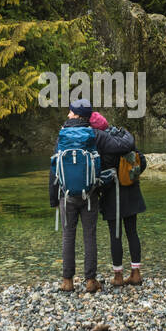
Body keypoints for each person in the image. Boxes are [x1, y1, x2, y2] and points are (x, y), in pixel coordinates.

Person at [49, 101, 133, 293]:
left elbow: (54, 168)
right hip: (90, 194)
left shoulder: (62, 135)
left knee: (68, 235)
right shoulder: (96, 135)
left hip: (66, 194)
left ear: (78, 115)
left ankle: (67, 281)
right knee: (89, 236)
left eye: (71, 112)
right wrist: (125, 132)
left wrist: (53, 198)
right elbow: (125, 145)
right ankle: (90, 281)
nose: (69, 114)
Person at [89, 111, 146, 287]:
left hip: (111, 194)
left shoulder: (99, 143)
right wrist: (130, 176)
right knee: (132, 233)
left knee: (116, 236)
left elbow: (97, 172)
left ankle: (118, 276)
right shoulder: (124, 138)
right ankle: (136, 273)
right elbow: (141, 161)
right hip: (131, 191)